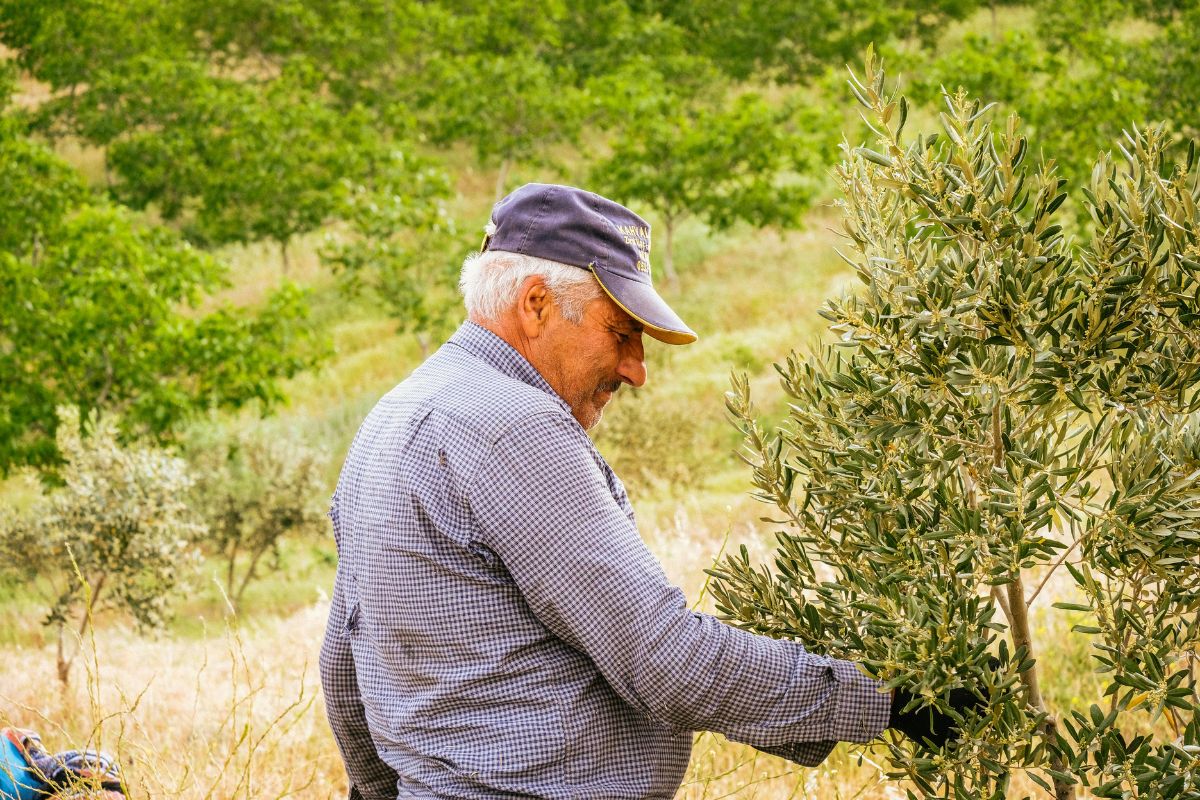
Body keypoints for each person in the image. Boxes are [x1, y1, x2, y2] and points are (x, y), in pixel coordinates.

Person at [319, 183, 982, 799]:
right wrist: (886, 700)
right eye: (621, 333)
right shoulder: (511, 427)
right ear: (536, 305)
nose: (636, 370)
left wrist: (381, 792)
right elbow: (661, 658)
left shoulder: (397, 414)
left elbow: (345, 666)